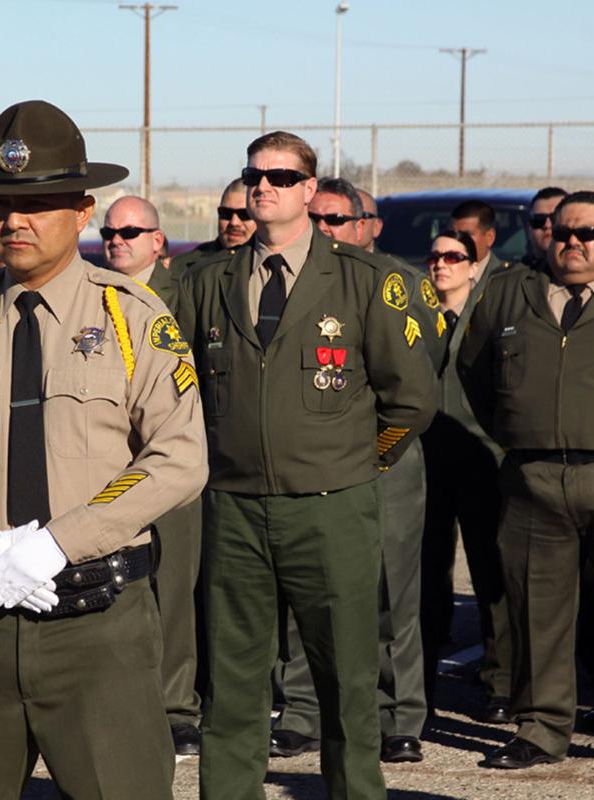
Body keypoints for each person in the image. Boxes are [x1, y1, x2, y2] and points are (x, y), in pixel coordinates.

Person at [0, 99, 207, 798]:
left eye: (36, 204)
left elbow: (179, 456)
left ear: (84, 211)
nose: (14, 221)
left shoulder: (130, 316)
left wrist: (61, 542)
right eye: (2, 204)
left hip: (99, 626)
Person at [178, 131, 437, 799]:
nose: (264, 187)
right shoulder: (206, 281)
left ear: (310, 189)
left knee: (346, 682)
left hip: (332, 508)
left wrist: (358, 464)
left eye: (282, 177)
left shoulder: (364, 281)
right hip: (234, 509)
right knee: (233, 684)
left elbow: (412, 399)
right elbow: (179, 392)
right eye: (254, 176)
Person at [459, 191, 594, 771]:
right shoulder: (510, 291)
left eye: (588, 233)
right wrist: (518, 431)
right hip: (533, 477)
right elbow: (475, 370)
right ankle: (540, 727)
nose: (573, 243)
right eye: (562, 233)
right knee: (537, 611)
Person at [270, 177, 444, 765]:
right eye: (317, 219)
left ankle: (398, 715)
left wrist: (376, 449)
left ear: (365, 226)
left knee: (391, 591)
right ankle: (303, 711)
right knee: (306, 588)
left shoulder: (395, 282)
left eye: (337, 221)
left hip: (382, 453)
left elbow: (423, 370)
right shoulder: (292, 279)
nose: (325, 230)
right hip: (313, 459)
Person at [102, 194, 204, 755]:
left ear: (158, 241)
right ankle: (120, 699)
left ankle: (176, 707)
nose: (117, 241)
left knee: (173, 587)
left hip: (170, 462)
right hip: (108, 464)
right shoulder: (95, 294)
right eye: (109, 233)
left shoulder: (182, 297)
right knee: (113, 584)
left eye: (130, 232)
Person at [417, 228, 512, 721]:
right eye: (435, 256)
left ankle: (501, 684)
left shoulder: (490, 316)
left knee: (489, 571)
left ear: (474, 267)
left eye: (454, 257)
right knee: (426, 574)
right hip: (425, 461)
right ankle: (420, 686)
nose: (442, 264)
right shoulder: (415, 318)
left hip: (480, 458)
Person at [169, 176, 256, 273]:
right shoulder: (185, 265)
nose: (234, 222)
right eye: (226, 213)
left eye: (244, 214)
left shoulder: (266, 268)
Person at [450, 199, 513, 284]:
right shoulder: (437, 276)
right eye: (452, 234)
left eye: (467, 235)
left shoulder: (509, 281)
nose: (457, 241)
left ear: (489, 238)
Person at [522, 187, 568, 271]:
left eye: (555, 218)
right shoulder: (514, 276)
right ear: (529, 228)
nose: (547, 225)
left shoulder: (587, 274)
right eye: (539, 220)